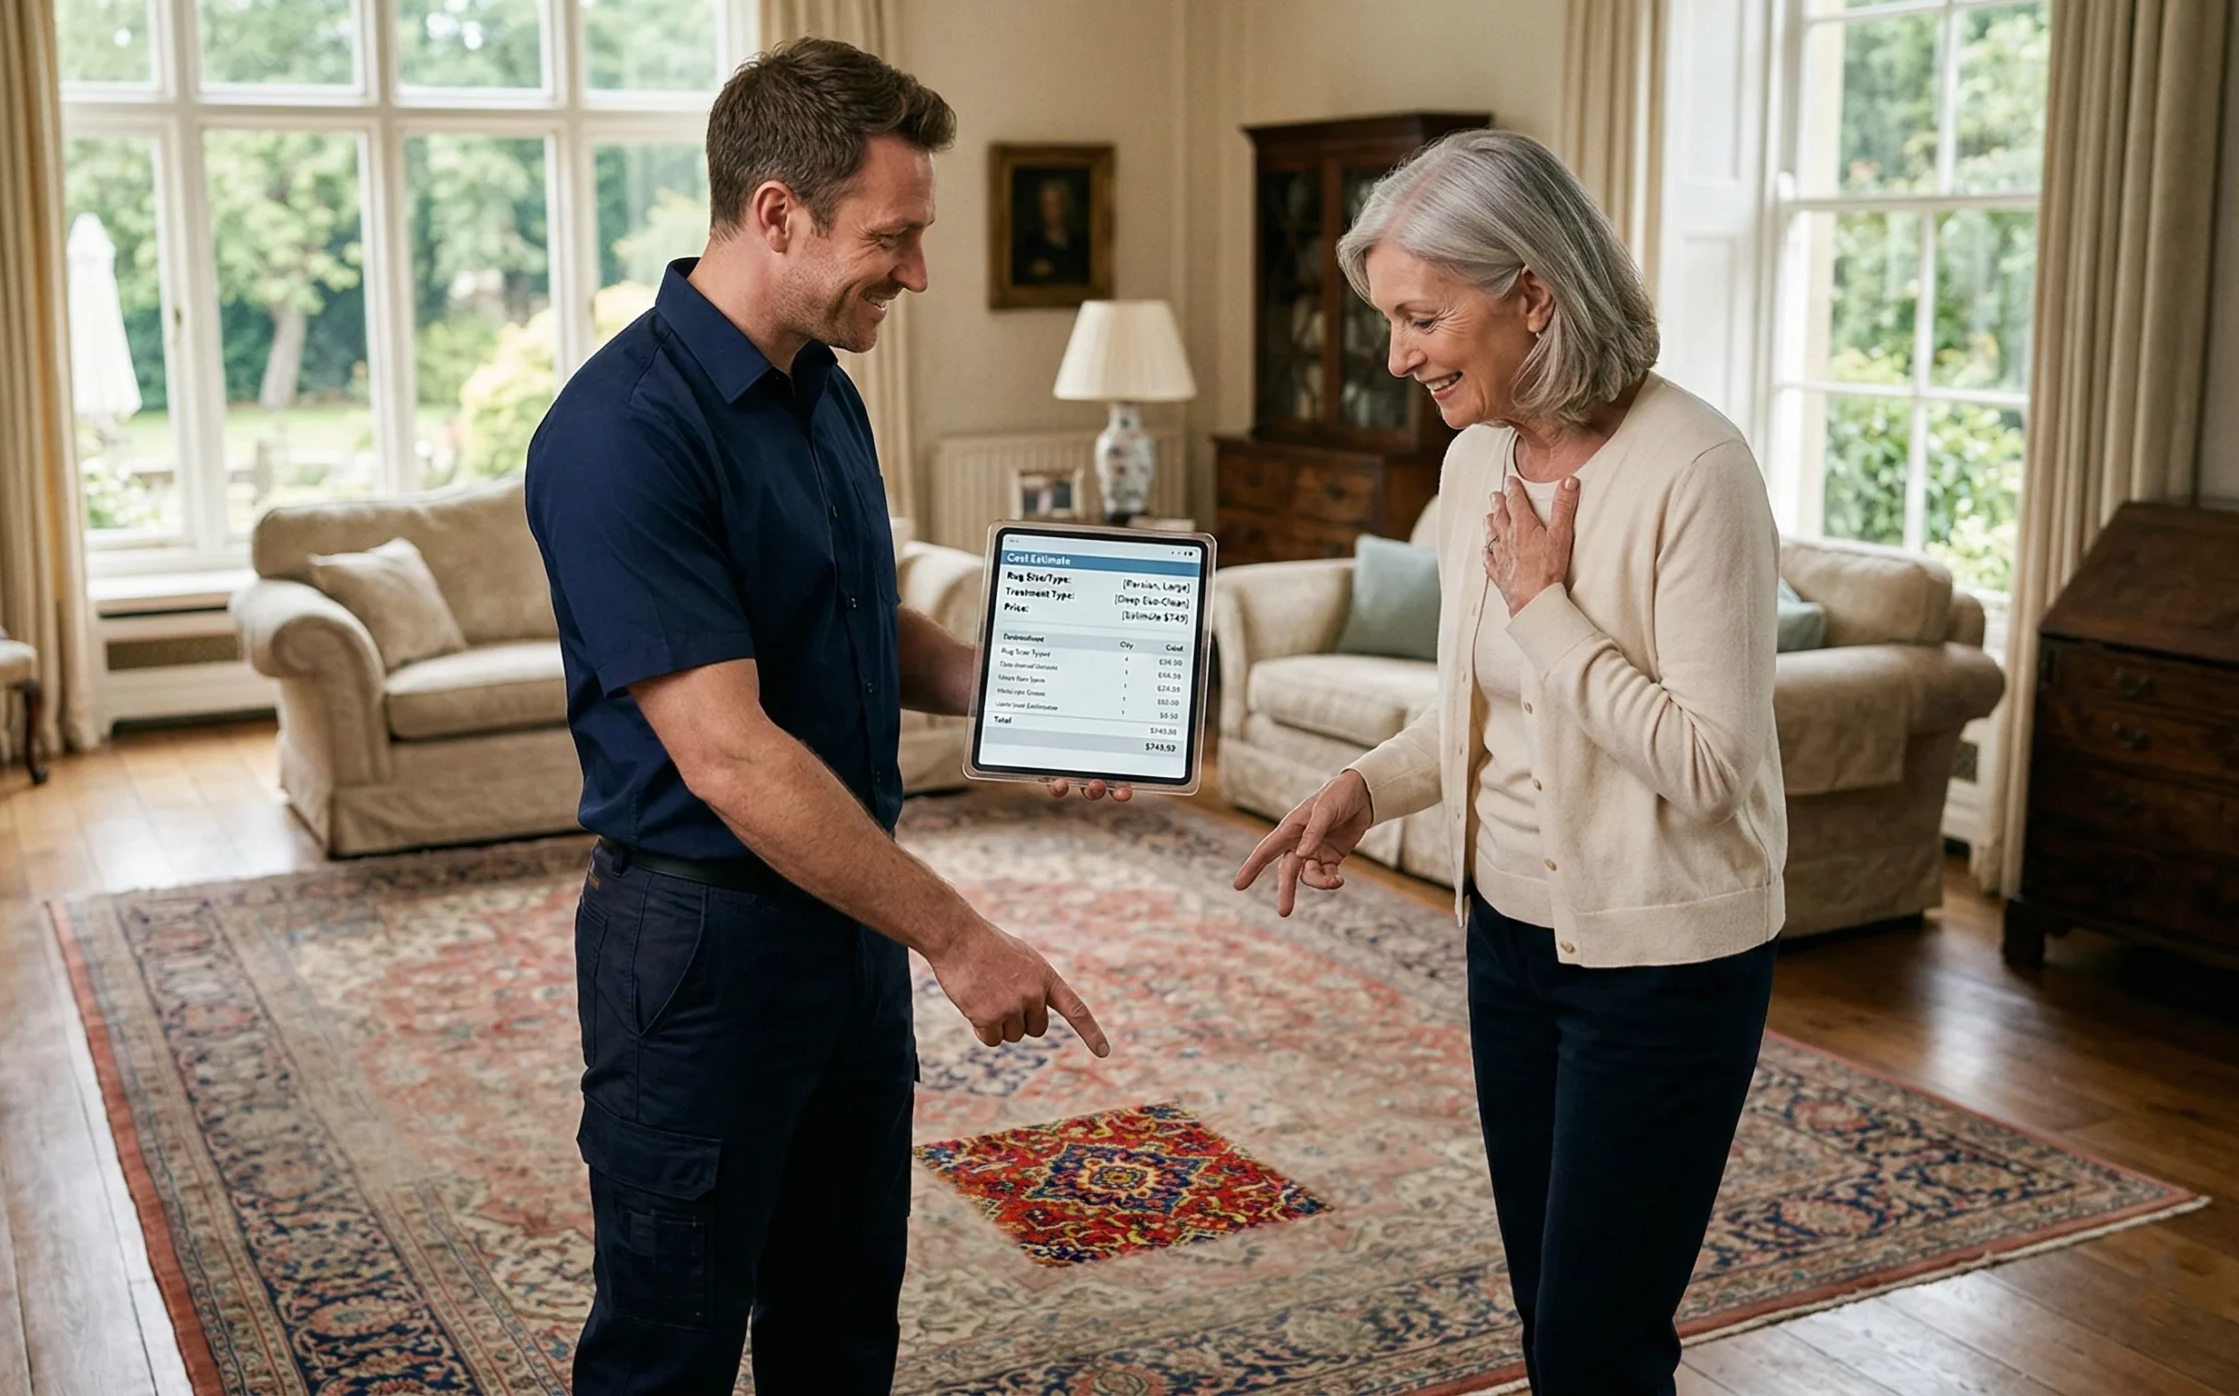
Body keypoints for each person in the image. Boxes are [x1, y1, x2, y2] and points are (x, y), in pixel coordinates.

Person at [525, 37, 1116, 1395]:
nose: (916, 273)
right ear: (778, 213)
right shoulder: (624, 433)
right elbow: (728, 754)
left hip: (846, 921)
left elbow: (858, 623)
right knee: (665, 1349)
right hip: (701, 949)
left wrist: (1014, 694)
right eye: (894, 238)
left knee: (841, 1326)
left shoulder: (826, 398)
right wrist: (960, 938)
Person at [1232, 128, 1786, 1396]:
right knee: (1551, 1320)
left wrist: (1545, 606)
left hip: (1664, 965)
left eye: (1422, 316)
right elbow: (1478, 712)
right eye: (1387, 319)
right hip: (1513, 944)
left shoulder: (1695, 470)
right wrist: (1361, 789)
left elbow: (1709, 766)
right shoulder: (1476, 454)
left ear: (1534, 293)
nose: (1396, 356)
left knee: (1600, 1339)